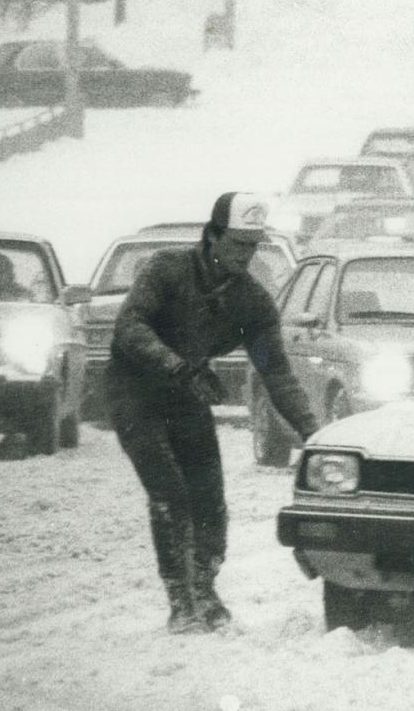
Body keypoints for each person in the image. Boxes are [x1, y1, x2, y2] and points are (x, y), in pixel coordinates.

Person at [107, 192, 320, 633]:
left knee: (210, 498)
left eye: (253, 246)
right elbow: (130, 327)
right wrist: (178, 366)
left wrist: (313, 431)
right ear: (213, 237)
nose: (245, 256)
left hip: (187, 394)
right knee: (170, 493)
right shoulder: (166, 269)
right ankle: (180, 600)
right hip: (135, 390)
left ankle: (204, 587)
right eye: (238, 244)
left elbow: (276, 374)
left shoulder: (251, 303)